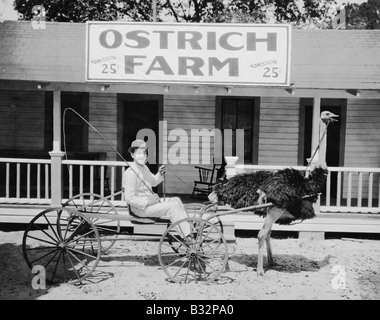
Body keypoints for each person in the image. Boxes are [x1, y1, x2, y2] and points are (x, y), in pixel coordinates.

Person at [122, 139, 191, 239]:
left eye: (144, 153)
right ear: (132, 155)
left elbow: (153, 182)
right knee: (172, 207)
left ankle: (186, 227)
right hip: (140, 209)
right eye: (138, 153)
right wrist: (147, 201)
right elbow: (129, 198)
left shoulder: (144, 167)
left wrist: (159, 173)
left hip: (151, 204)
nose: (142, 156)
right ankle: (188, 236)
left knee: (176, 200)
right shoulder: (130, 173)